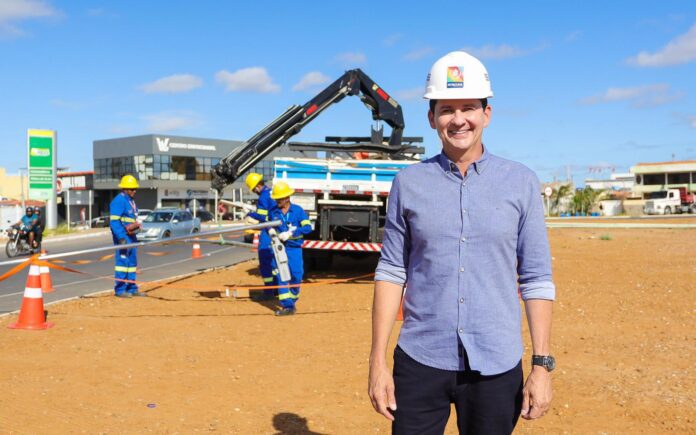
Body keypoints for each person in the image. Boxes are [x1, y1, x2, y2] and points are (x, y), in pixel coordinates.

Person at [368, 51, 556, 434]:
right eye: (446, 110)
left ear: (487, 114)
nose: (458, 120)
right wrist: (377, 362)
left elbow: (536, 277)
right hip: (421, 359)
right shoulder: (408, 184)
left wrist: (541, 365)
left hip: (496, 364)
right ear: (431, 118)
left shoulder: (520, 182)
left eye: (468, 107)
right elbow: (391, 272)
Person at [268, 182, 312, 316]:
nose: (277, 201)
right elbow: (268, 224)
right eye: (276, 199)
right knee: (281, 275)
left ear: (287, 198)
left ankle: (292, 300)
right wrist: (270, 230)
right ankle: (287, 306)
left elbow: (308, 228)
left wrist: (291, 233)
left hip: (294, 248)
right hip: (279, 248)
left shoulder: (298, 211)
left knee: (296, 275)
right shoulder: (273, 211)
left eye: (279, 199)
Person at [109, 174, 145, 298]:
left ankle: (132, 288)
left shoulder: (130, 201)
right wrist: (121, 237)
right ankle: (120, 290)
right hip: (123, 238)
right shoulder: (118, 201)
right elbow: (114, 221)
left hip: (131, 236)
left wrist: (136, 227)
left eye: (135, 189)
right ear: (125, 189)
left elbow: (129, 219)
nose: (134, 191)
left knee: (132, 263)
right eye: (132, 189)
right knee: (122, 263)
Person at [244, 173, 278, 300]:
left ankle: (268, 292)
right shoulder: (271, 192)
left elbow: (262, 217)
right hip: (276, 229)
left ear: (257, 186)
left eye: (253, 189)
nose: (254, 192)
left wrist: (250, 213)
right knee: (275, 262)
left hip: (267, 230)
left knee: (265, 261)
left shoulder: (263, 197)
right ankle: (276, 288)